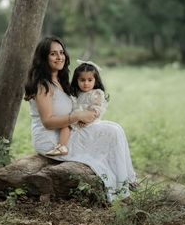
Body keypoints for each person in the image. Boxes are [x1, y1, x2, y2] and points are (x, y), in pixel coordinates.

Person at [24, 36, 137, 202]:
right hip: (51, 139)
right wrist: (76, 116)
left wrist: (87, 115)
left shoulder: (60, 80)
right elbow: (47, 122)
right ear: (43, 58)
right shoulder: (43, 85)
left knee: (115, 128)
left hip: (67, 131)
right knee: (112, 131)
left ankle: (127, 182)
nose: (59, 57)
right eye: (53, 54)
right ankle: (121, 191)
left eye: (61, 52)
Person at [45, 60, 108, 156]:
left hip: (89, 121)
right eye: (82, 80)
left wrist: (85, 120)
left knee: (68, 126)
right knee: (65, 126)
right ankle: (62, 146)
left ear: (95, 81)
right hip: (77, 120)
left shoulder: (96, 93)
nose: (86, 83)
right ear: (76, 81)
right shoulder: (77, 94)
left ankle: (63, 146)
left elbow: (95, 111)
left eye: (90, 80)